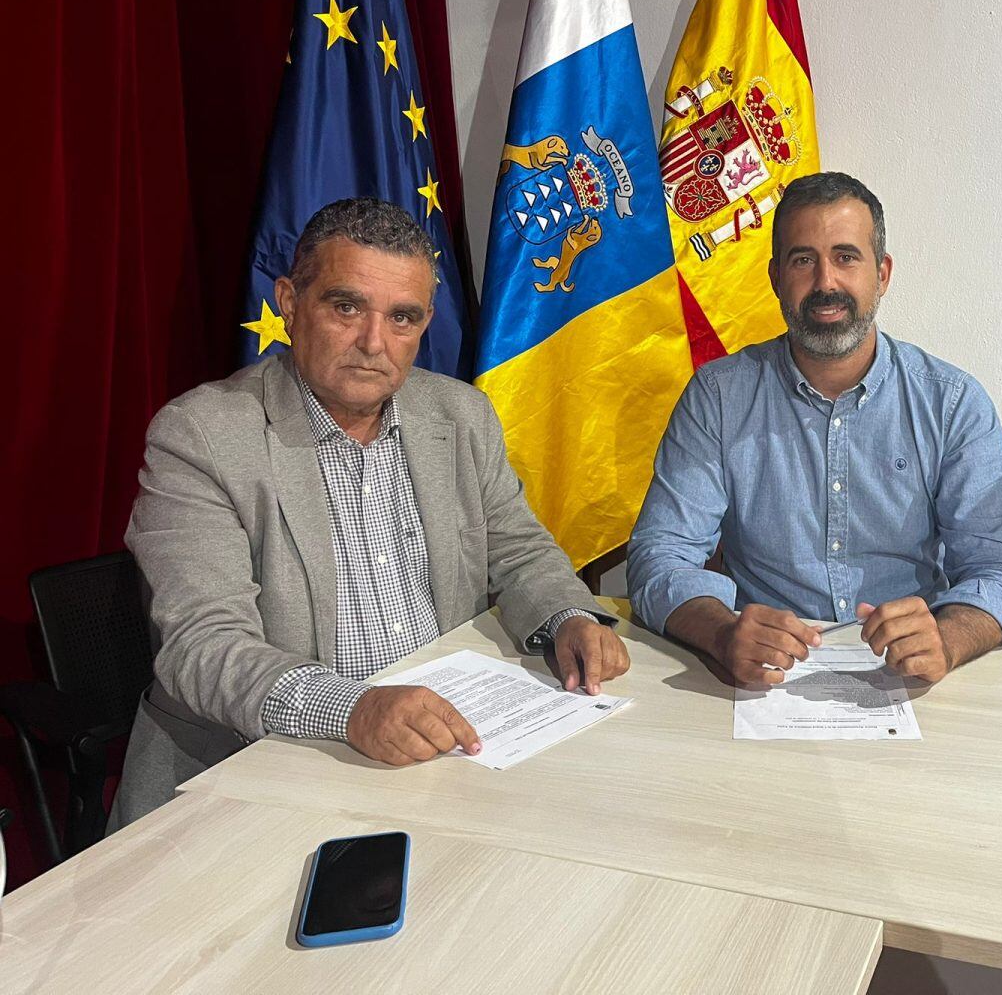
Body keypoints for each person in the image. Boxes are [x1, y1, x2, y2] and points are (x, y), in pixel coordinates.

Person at [113, 198, 628, 825]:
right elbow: (204, 645)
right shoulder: (201, 435)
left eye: (403, 318)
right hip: (253, 768)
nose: (373, 343)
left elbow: (517, 550)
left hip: (442, 754)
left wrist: (567, 615)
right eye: (346, 306)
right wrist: (352, 709)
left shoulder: (460, 416)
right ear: (289, 302)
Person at [628, 171, 1002, 687]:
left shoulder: (951, 402)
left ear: (882, 274)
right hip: (765, 677)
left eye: (846, 257)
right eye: (804, 260)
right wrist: (721, 633)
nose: (825, 283)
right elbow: (659, 556)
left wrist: (947, 640)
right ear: (776, 276)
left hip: (913, 676)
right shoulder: (719, 397)